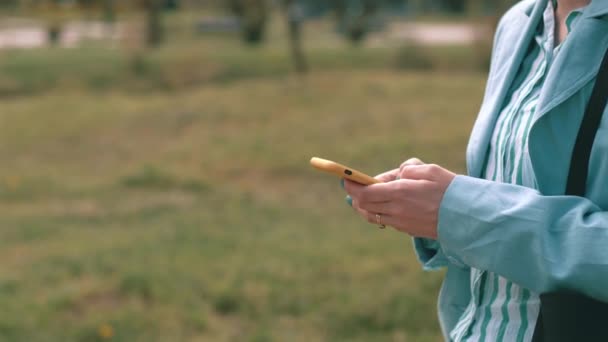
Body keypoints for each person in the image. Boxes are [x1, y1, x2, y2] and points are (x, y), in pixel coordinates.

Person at [342, 0, 608, 341]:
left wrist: (463, 212)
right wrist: (429, 210)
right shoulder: (518, 23)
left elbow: (488, 216)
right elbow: (504, 200)